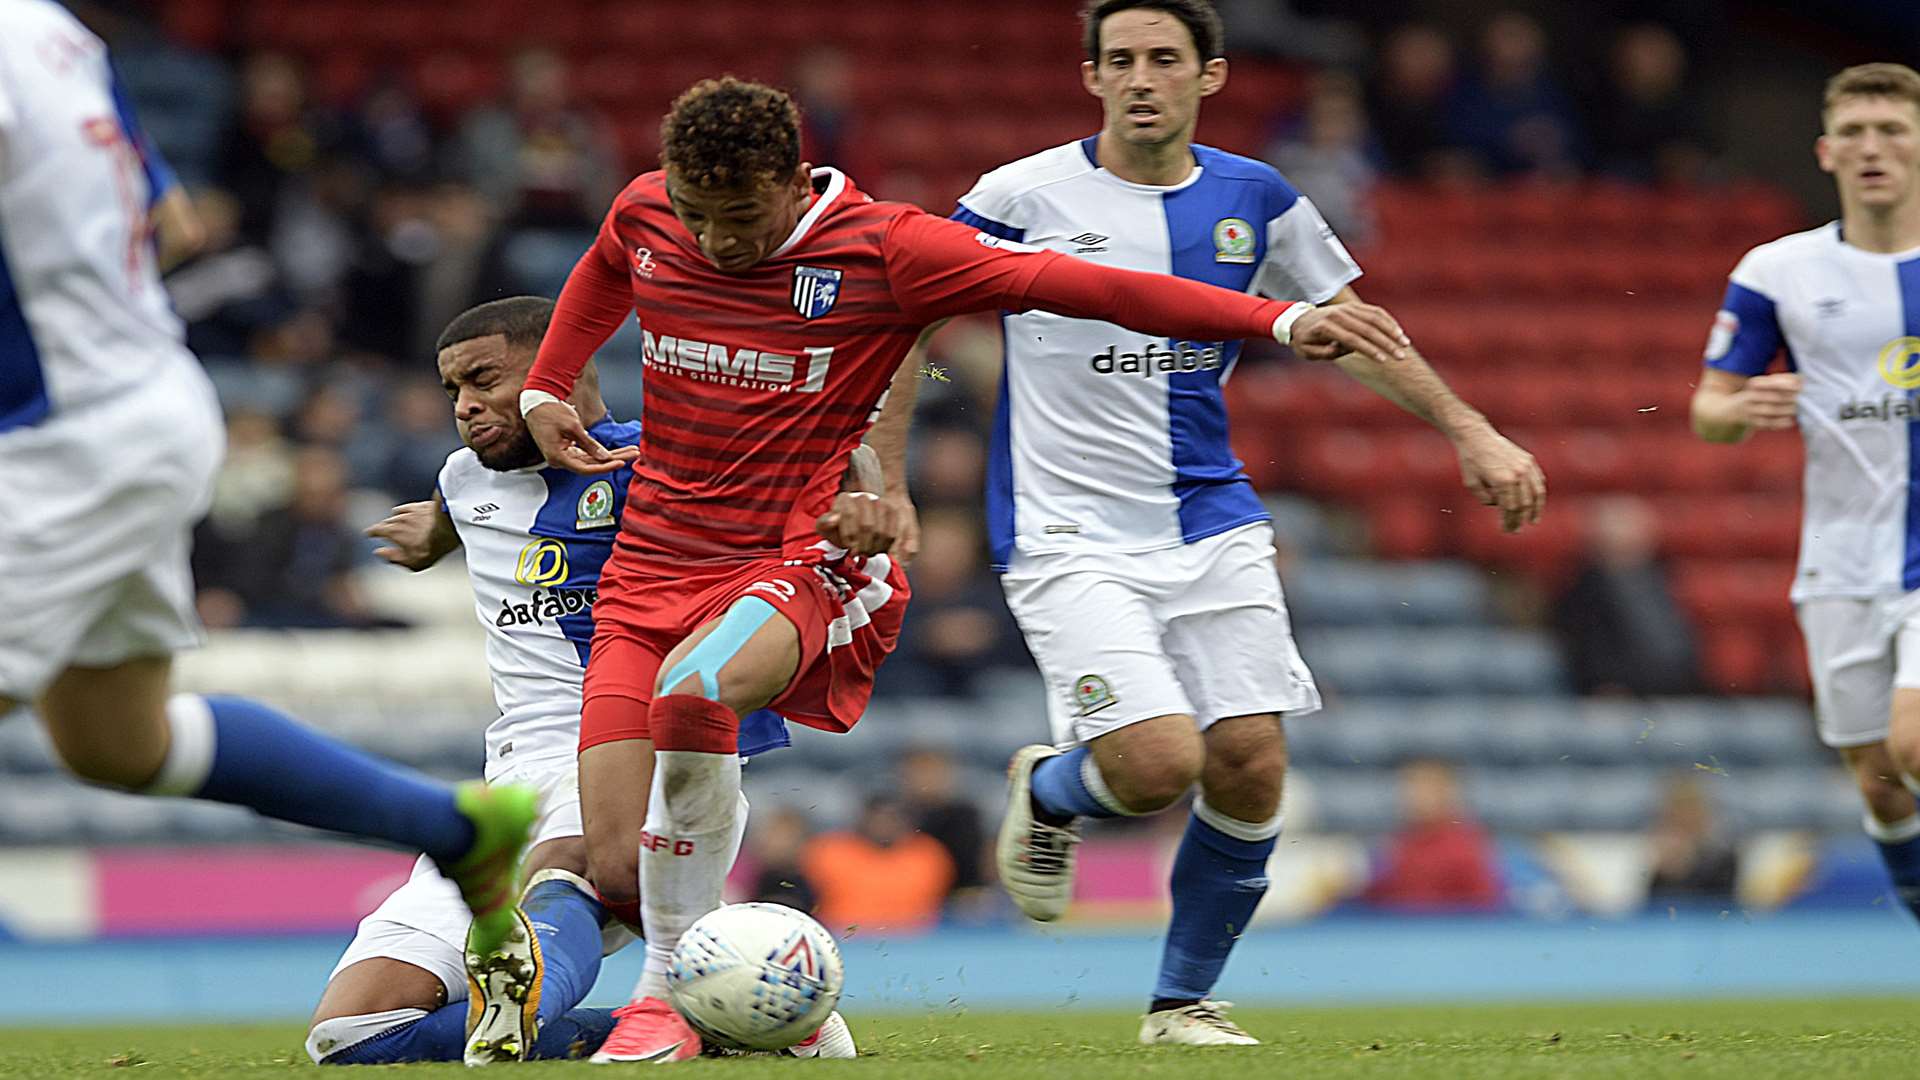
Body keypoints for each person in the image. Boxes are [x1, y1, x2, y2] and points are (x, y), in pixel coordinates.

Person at [517, 74, 1413, 1063]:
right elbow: (606, 261)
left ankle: (665, 999)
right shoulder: (648, 210)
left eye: (738, 218)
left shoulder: (890, 247)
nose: (716, 242)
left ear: (792, 178)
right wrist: (547, 385)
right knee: (613, 864)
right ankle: (779, 1007)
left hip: (800, 551)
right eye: (696, 216)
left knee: (696, 695)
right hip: (648, 567)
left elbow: (1088, 286)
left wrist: (1275, 321)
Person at [956, 0, 1543, 1047]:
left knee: (1252, 760)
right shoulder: (1018, 195)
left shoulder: (1256, 199)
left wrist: (1470, 428)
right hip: (1067, 532)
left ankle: (1182, 1004)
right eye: (1121, 60)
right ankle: (1048, 789)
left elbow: (1358, 332)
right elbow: (911, 313)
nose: (1143, 78)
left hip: (1211, 517)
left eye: (1165, 59)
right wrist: (877, 465)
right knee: (1154, 765)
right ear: (1091, 76)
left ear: (1210, 75)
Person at [0, 0, 532, 966]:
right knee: (115, 739)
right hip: (134, 405)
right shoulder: (48, 30)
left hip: (51, 442)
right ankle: (458, 826)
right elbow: (170, 224)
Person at [309, 297, 844, 1064]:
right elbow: (465, 504)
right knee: (352, 1037)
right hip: (511, 783)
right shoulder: (464, 479)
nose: (464, 406)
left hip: (631, 757)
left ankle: (524, 989)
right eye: (452, 390)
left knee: (568, 863)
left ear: (564, 369)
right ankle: (721, 1031)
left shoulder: (662, 467)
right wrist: (434, 533)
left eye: (485, 380)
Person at [1689, 62, 1920, 928]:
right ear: (1826, 150)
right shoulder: (1779, 270)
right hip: (1842, 559)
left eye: (1892, 130)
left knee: (1914, 741)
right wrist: (1738, 408)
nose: (1873, 148)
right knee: (1882, 781)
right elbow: (1707, 408)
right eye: (1855, 133)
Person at [1360, 760, 1503, 913]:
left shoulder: (1466, 848)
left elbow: (1486, 908)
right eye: (1410, 788)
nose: (1414, 797)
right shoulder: (1395, 844)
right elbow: (1372, 900)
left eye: (1426, 790)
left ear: (1447, 793)